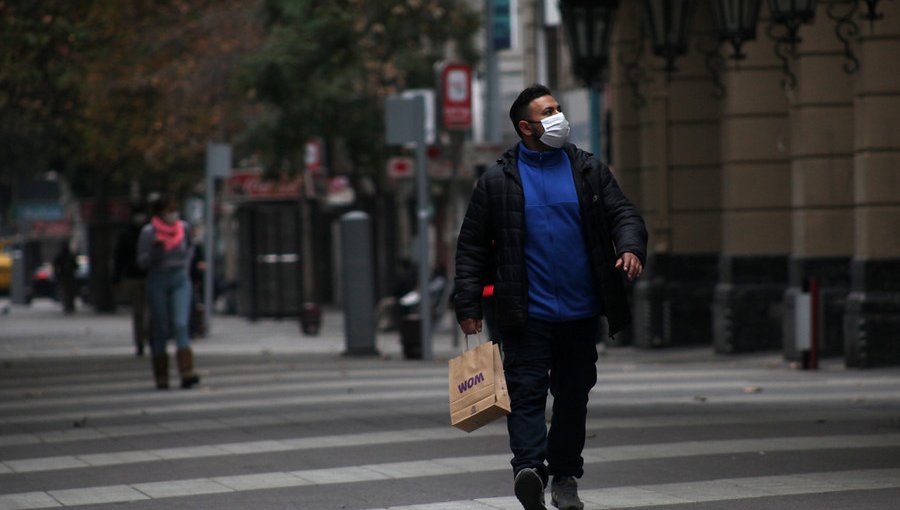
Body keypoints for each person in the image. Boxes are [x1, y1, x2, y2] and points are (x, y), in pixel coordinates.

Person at [453, 84, 647, 510]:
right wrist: (467, 306)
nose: (559, 116)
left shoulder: (587, 170)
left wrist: (630, 247)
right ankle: (528, 468)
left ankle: (563, 476)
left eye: (558, 108)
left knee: (573, 397)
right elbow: (471, 247)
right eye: (548, 111)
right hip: (526, 315)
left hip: (580, 314)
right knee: (526, 394)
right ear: (526, 127)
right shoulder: (497, 182)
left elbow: (623, 213)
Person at [137, 195, 201, 390]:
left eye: (174, 209)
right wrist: (156, 252)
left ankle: (186, 372)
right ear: (160, 213)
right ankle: (161, 376)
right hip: (158, 279)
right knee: (161, 328)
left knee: (181, 323)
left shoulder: (184, 228)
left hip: (180, 278)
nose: (173, 214)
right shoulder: (149, 232)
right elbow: (142, 262)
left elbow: (190, 248)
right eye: (169, 210)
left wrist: (185, 267)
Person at [114, 204, 150, 356]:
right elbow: (119, 257)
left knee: (150, 311)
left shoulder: (149, 232)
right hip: (133, 276)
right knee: (138, 311)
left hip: (149, 276)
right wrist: (117, 277)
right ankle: (140, 342)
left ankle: (148, 336)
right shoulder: (126, 234)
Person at [52, 243, 77, 314]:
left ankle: (68, 306)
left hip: (65, 276)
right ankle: (69, 306)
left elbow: (55, 265)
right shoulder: (70, 256)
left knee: (66, 292)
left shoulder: (62, 256)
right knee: (69, 292)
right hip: (68, 276)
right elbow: (76, 266)